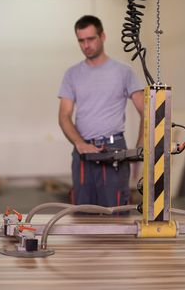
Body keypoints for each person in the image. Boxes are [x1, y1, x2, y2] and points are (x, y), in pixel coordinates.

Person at [58, 15, 144, 207]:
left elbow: (146, 111)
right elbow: (64, 116)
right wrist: (79, 143)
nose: (86, 45)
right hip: (83, 152)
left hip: (114, 150)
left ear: (102, 36)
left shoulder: (124, 72)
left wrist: (139, 148)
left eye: (91, 39)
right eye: (81, 40)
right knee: (82, 212)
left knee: (116, 213)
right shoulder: (72, 74)